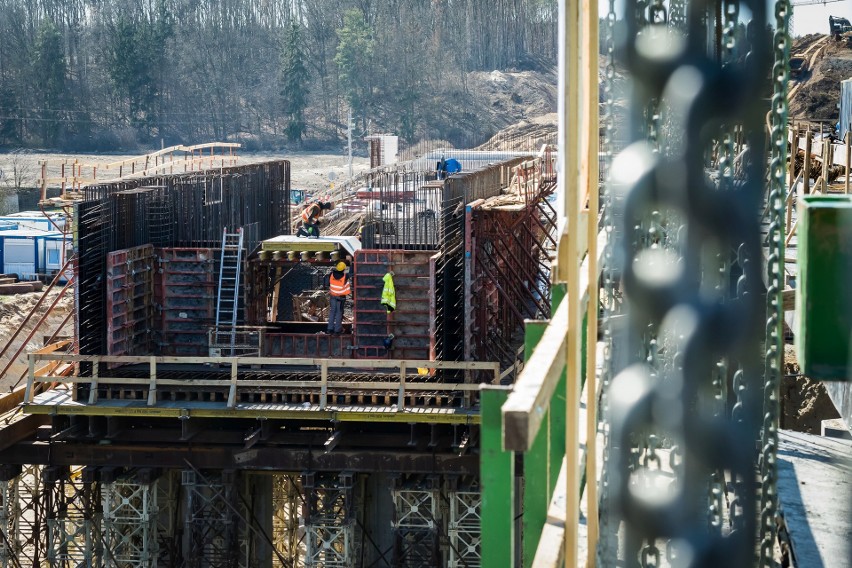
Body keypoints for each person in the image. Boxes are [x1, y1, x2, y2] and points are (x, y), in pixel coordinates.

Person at [324, 261, 351, 334]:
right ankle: (337, 330)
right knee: (339, 313)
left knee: (332, 312)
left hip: (333, 296)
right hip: (341, 298)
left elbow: (327, 284)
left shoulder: (331, 274)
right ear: (343, 269)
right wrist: (352, 262)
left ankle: (330, 329)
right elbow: (353, 273)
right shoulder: (345, 276)